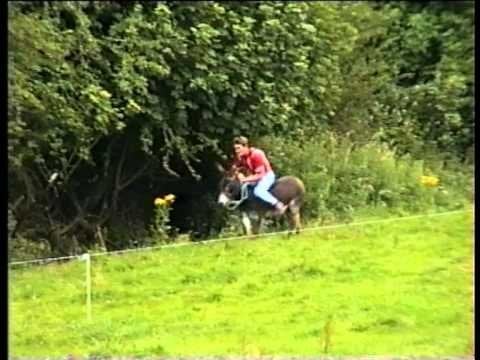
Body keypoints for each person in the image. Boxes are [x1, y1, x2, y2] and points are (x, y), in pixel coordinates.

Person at [230, 136, 288, 214]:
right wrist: (237, 173)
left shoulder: (256, 154)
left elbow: (260, 175)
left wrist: (244, 179)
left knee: (259, 191)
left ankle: (278, 205)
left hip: (266, 176)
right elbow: (235, 167)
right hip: (255, 177)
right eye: (235, 149)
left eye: (238, 148)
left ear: (245, 146)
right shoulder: (241, 156)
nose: (236, 151)